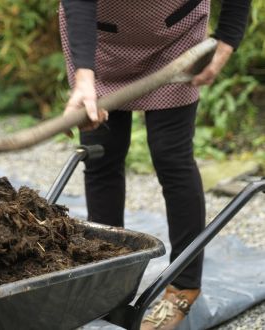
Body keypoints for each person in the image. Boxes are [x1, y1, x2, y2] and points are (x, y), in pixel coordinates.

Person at [58, 0, 251, 329]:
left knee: (172, 157)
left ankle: (183, 288)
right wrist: (84, 78)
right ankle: (107, 282)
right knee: (102, 155)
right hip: (100, 41)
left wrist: (229, 37)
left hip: (176, 35)